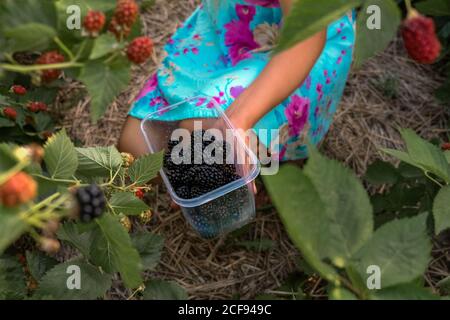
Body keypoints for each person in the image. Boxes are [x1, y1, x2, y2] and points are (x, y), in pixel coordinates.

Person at [119, 0, 355, 161]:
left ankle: (264, 163)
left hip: (292, 48)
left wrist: (238, 120)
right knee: (135, 148)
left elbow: (306, 39)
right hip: (228, 25)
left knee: (202, 138)